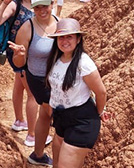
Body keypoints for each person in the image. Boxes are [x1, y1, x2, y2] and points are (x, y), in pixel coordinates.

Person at [45, 18, 110, 168]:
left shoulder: (83, 63)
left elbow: (101, 92)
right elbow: (54, 89)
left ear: (78, 39)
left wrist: (99, 113)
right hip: (62, 119)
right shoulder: (55, 58)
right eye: (61, 37)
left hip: (82, 122)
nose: (65, 41)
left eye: (69, 37)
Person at [8, 0, 58, 166]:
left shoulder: (59, 23)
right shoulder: (27, 27)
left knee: (44, 116)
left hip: (57, 80)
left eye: (45, 6)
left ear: (52, 4)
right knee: (59, 120)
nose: (42, 10)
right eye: (37, 7)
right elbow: (19, 62)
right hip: (38, 81)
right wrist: (21, 54)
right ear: (33, 9)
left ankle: (37, 155)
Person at [0, 0, 40, 147]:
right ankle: (33, 135)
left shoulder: (36, 4)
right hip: (18, 53)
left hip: (27, 52)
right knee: (33, 94)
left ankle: (19, 121)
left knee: (19, 85)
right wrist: (4, 4)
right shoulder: (15, 5)